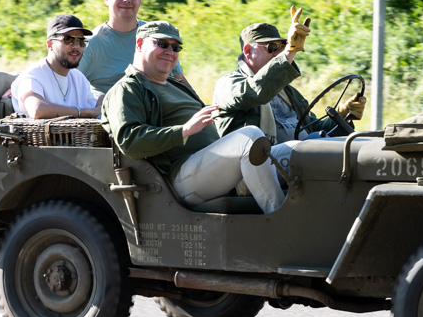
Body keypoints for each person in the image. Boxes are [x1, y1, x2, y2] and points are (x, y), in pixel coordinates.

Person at [102, 21, 292, 214]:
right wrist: (184, 131)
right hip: (179, 177)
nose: (170, 51)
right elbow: (130, 140)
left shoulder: (177, 86)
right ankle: (280, 218)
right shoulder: (128, 88)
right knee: (250, 137)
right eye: (162, 44)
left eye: (175, 47)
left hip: (213, 166)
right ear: (139, 44)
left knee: (299, 151)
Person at [213, 6, 366, 143]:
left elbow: (314, 128)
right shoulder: (228, 84)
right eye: (271, 47)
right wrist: (289, 51)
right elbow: (255, 93)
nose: (278, 53)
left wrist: (342, 115)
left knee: (363, 146)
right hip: (263, 158)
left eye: (281, 47)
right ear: (247, 51)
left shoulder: (287, 92)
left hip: (301, 154)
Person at [79, 0, 190, 98]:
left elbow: (178, 80)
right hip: (112, 109)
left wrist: (201, 106)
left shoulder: (155, 35)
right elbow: (71, 85)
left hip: (155, 106)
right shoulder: (90, 43)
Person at [11, 14, 103, 119]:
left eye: (81, 41)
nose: (76, 46)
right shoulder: (32, 76)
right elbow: (37, 110)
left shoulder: (79, 78)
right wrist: (83, 112)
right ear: (50, 44)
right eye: (68, 40)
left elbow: (95, 110)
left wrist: (104, 101)